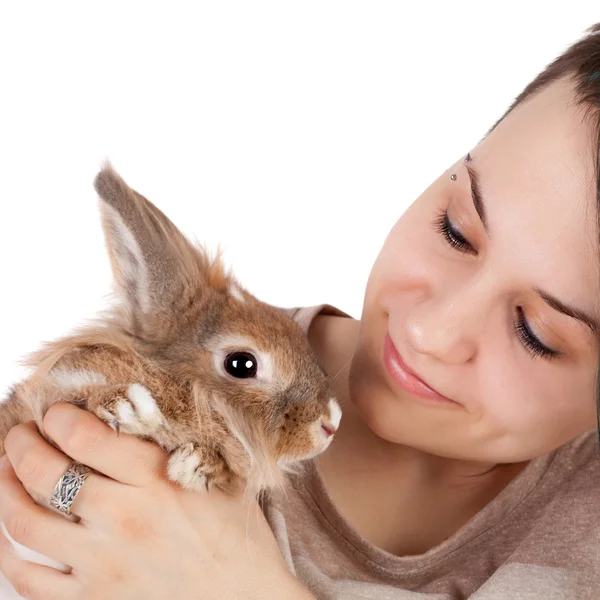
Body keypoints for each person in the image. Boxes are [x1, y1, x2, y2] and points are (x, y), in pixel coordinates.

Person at [1, 21, 600, 600]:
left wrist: (237, 587)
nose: (428, 331)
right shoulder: (163, 385)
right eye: (456, 229)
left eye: (536, 333)